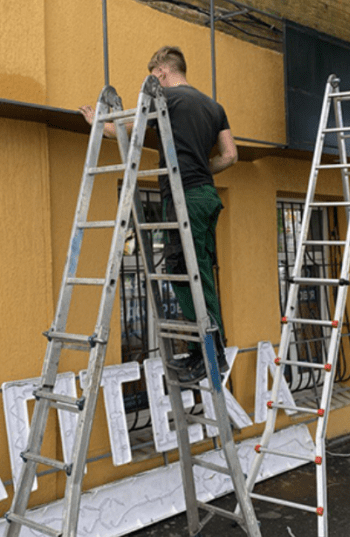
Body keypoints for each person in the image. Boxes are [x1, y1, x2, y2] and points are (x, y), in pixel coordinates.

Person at [80, 46, 237, 383]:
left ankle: (206, 354)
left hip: (185, 201)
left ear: (163, 72)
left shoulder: (167, 99)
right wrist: (198, 170)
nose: (153, 83)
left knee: (184, 271)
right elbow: (230, 155)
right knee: (203, 275)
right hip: (206, 196)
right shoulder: (214, 106)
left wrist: (98, 123)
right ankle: (214, 351)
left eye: (154, 76)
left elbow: (130, 135)